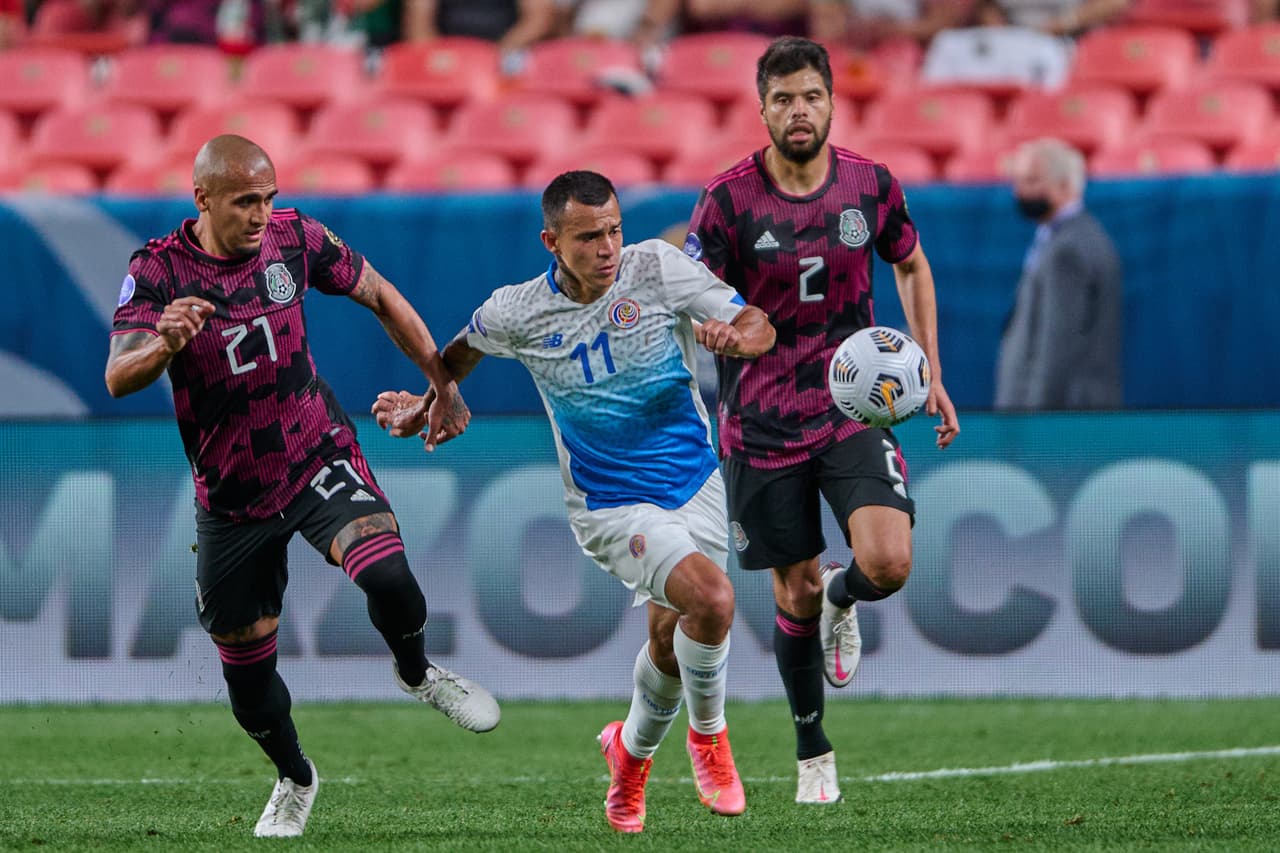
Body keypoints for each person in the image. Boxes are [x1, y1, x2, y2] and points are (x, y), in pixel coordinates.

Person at [104, 134, 500, 839]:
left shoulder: (297, 239)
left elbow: (381, 294)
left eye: (269, 197)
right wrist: (163, 341)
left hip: (314, 450)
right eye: (245, 201)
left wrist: (441, 384)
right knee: (249, 685)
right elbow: (118, 375)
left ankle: (416, 673)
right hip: (231, 495)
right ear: (203, 199)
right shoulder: (158, 269)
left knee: (391, 577)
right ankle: (294, 775)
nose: (262, 213)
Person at [372, 170, 775, 833]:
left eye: (614, 229)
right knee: (713, 600)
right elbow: (459, 351)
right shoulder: (518, 309)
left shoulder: (657, 268)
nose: (608, 246)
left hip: (696, 483)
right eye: (589, 237)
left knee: (671, 641)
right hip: (610, 503)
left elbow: (756, 322)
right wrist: (429, 402)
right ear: (551, 241)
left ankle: (630, 759)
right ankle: (711, 739)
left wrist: (739, 337)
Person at [685, 36, 960, 805]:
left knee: (890, 562)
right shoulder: (729, 200)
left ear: (833, 101)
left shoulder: (871, 186)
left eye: (810, 96)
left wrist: (930, 370)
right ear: (762, 108)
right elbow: (691, 287)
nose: (797, 111)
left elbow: (909, 261)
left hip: (850, 409)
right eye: (782, 99)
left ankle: (849, 599)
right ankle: (813, 751)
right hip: (760, 420)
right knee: (793, 588)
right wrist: (714, 323)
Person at [994, 137, 1123, 410]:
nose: (1020, 192)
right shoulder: (1067, 238)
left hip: (1060, 415)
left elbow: (1056, 347)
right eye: (1018, 181)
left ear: (1065, 185)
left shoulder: (1068, 250)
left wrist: (1039, 421)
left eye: (1032, 181)